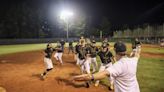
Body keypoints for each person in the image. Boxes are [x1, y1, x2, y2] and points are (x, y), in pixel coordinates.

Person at [72, 41, 141, 92]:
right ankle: (99, 83)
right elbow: (137, 54)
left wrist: (75, 78)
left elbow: (91, 77)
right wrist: (138, 47)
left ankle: (109, 84)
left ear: (115, 50)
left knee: (109, 77)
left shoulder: (117, 66)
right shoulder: (133, 61)